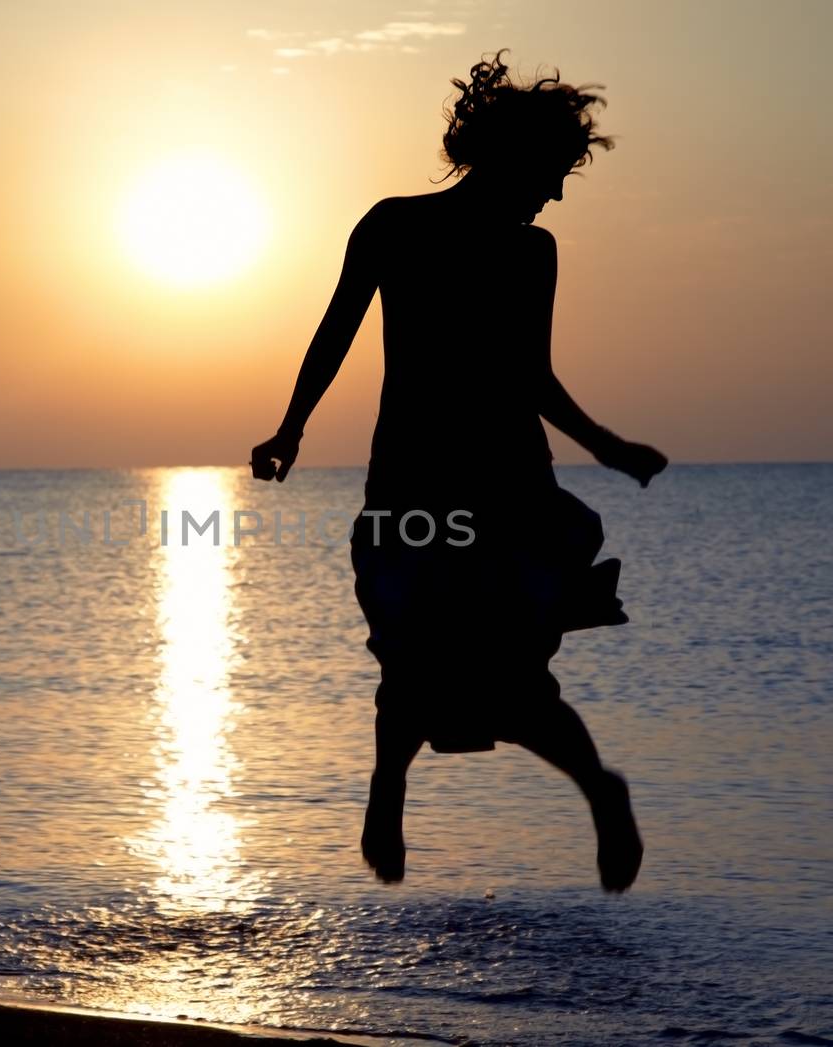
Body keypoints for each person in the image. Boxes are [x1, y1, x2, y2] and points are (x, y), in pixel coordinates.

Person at [249, 49, 667, 893]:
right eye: (551, 172)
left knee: (498, 671)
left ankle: (597, 791)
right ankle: (391, 786)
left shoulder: (529, 252)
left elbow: (531, 376)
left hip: (498, 485)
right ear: (512, 157)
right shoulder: (393, 226)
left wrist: (606, 447)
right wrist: (290, 426)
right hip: (418, 482)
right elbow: (335, 332)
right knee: (412, 651)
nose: (553, 194)